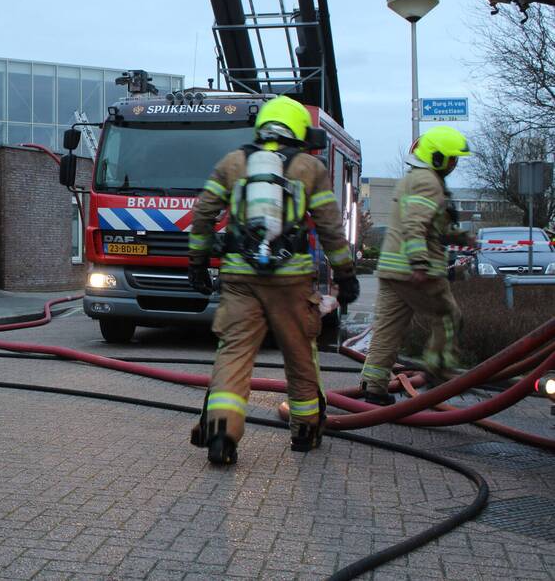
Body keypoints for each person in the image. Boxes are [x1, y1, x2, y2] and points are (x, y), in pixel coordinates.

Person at [187, 95, 359, 465]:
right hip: (291, 280)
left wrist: (198, 262)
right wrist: (345, 274)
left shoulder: (233, 162)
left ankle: (221, 432)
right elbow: (330, 226)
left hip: (239, 277)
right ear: (297, 130)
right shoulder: (310, 167)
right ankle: (306, 430)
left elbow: (202, 214)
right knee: (299, 354)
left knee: (233, 353)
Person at [359, 126, 473, 405]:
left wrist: (460, 237)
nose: (454, 165)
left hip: (392, 270)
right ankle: (438, 376)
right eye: (451, 159)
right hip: (414, 271)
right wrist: (420, 263)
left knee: (388, 328)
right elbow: (416, 225)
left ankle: (373, 386)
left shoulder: (411, 180)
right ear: (436, 158)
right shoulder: (428, 182)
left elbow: (428, 224)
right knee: (448, 317)